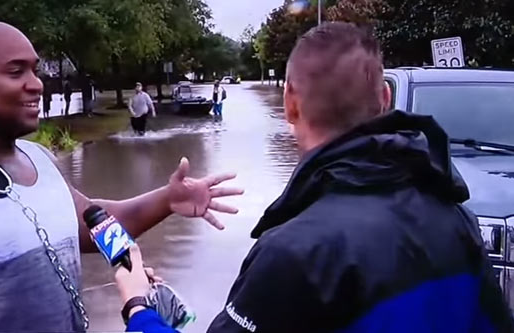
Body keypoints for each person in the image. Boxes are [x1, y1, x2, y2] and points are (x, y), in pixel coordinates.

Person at [114, 22, 513, 332]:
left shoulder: (293, 252)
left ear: (289, 104)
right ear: (385, 100)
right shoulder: (458, 219)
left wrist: (138, 308)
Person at [0, 21, 244, 333]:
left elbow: (94, 227)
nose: (36, 84)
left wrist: (167, 200)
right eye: (15, 71)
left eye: (34, 70)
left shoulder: (39, 158)